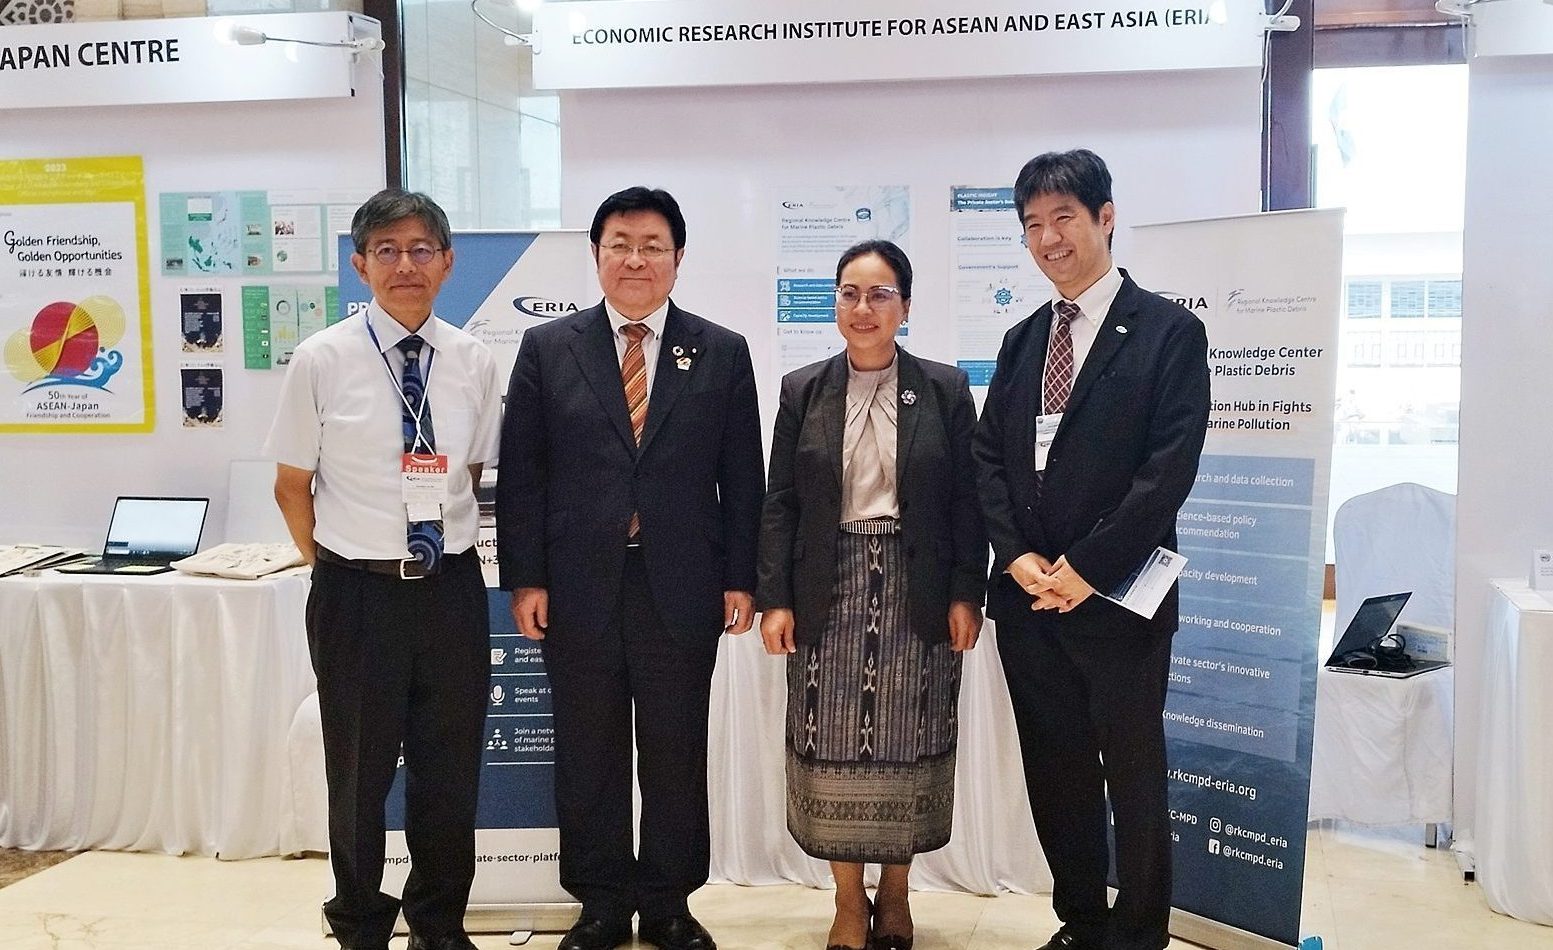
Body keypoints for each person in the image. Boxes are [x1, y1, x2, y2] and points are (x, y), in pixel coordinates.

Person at [495, 186, 765, 950]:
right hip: (578, 586)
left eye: (652, 244)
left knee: (677, 750)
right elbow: (524, 474)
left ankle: (671, 902)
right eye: (620, 243)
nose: (635, 258)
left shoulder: (720, 350)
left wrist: (741, 577)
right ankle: (601, 901)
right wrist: (527, 578)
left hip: (681, 583)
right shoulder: (550, 349)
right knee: (589, 749)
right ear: (596, 255)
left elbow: (743, 476)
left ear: (678, 258)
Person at [972, 150, 1210, 950]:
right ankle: (1078, 920)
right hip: (1026, 598)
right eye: (1032, 225)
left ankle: (1137, 933)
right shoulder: (1020, 339)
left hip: (1118, 598)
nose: (1047, 238)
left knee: (1133, 775)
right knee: (1057, 770)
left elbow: (1166, 470)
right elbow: (987, 461)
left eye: (1062, 217)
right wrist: (1014, 557)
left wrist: (1086, 569)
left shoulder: (1169, 333)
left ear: (1105, 217)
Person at [266, 189, 502, 950]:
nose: (407, 265)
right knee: (359, 773)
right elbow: (291, 485)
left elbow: (466, 470)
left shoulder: (472, 359)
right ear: (360, 263)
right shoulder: (321, 358)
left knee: (448, 770)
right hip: (357, 594)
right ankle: (360, 922)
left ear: (448, 263)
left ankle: (438, 922)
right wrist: (335, 566)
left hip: (452, 594)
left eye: (422, 249)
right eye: (389, 250)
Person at [756, 240, 987, 950]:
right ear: (834, 303)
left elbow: (966, 504)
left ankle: (896, 894)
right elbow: (780, 502)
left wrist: (964, 593)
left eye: (879, 294)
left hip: (918, 589)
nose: (863, 308)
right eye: (849, 293)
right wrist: (776, 598)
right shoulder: (803, 389)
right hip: (827, 588)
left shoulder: (944, 389)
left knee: (910, 743)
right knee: (829, 752)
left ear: (905, 307)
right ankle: (848, 902)